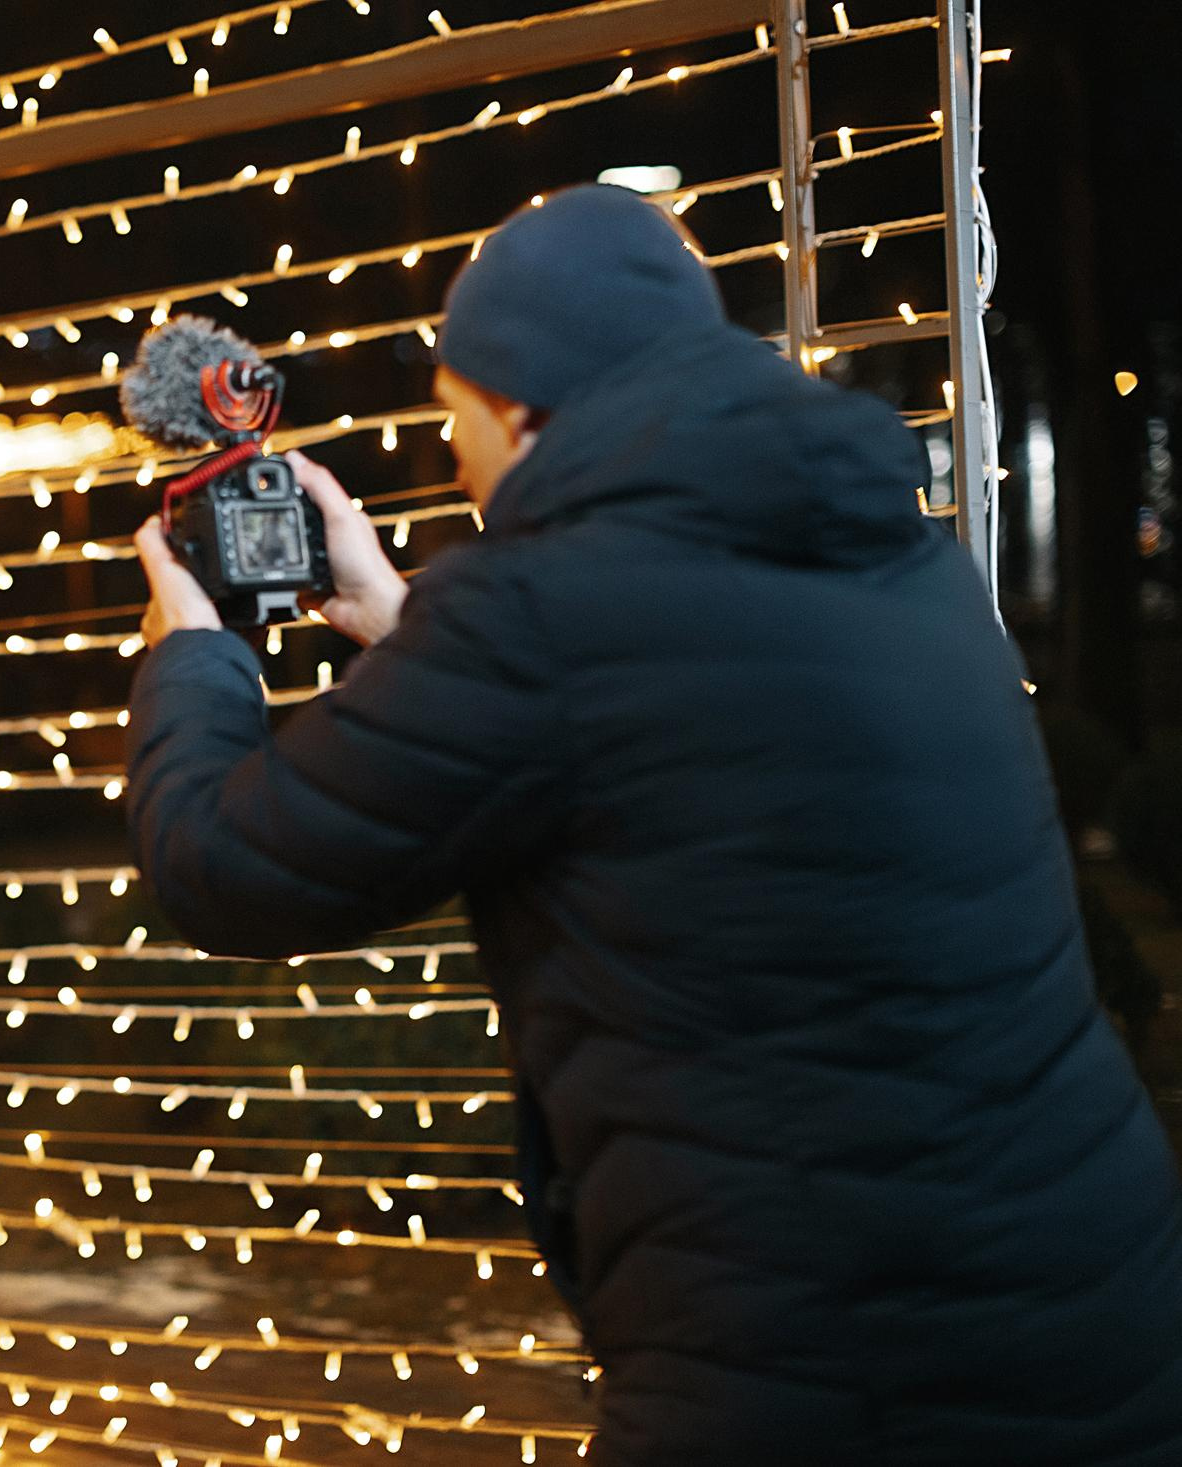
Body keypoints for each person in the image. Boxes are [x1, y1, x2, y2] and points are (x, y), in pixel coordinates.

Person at [123, 185, 1182, 1465]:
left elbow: (224, 866)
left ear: (520, 406)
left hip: (820, 1352)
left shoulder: (538, 616)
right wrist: (405, 622)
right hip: (1096, 1288)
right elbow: (665, 731)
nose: (453, 458)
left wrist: (193, 653)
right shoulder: (893, 554)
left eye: (455, 415)